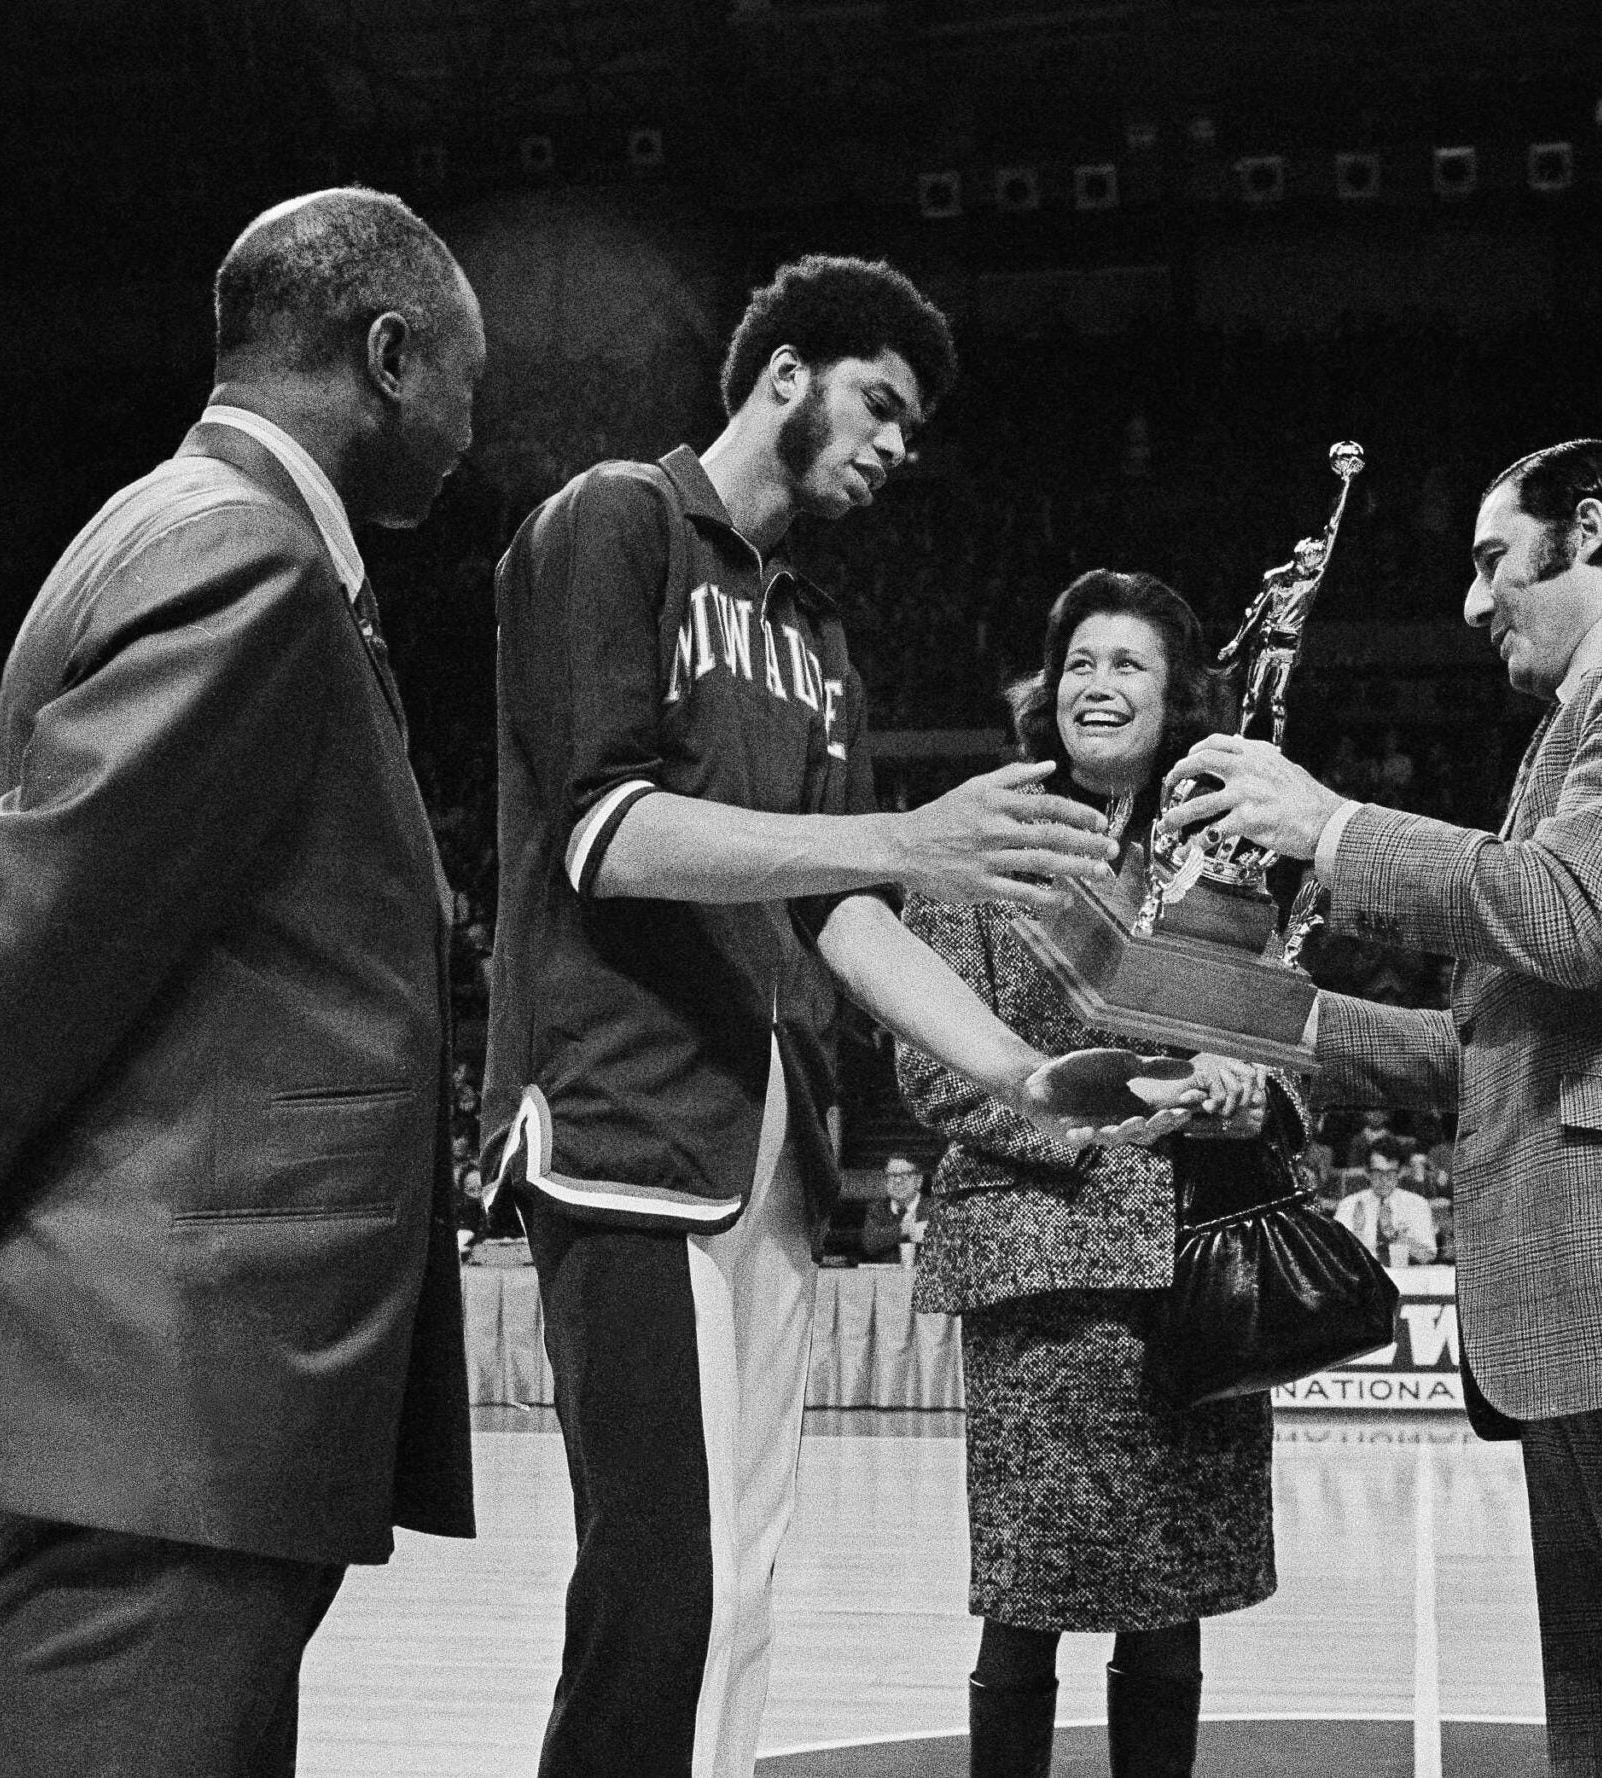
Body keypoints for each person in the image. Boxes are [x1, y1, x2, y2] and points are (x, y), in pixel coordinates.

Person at [0, 186, 487, 1777]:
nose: (477, 432)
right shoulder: (246, 559)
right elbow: (7, 971)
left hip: (177, 1414)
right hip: (167, 1407)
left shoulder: (177, 530)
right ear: (389, 355)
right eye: (471, 385)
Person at [484, 258, 1193, 1778]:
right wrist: (903, 836)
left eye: (912, 428)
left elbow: (845, 911)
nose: (894, 446)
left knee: (740, 1579)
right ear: (786, 374)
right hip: (625, 1116)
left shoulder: (814, 634)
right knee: (660, 1579)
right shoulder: (614, 521)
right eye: (881, 404)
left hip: (773, 1134)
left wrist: (1023, 1070)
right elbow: (606, 831)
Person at [1168, 439, 1602, 1776]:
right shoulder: (1581, 721)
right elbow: (1492, 1048)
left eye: (1494, 559)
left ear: (1586, 529)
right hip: (1599, 1307)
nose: (1472, 601)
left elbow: (1564, 914)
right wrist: (1259, 1017)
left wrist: (1328, 826)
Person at [896, 569, 1280, 1778]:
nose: (1096, 684)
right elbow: (931, 1066)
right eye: (1079, 662)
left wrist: (1250, 1096)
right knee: (1027, 1592)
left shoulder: (1228, 854)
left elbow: (1293, 1039)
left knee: (1173, 1594)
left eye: (1127, 664)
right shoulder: (983, 836)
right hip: (1038, 1276)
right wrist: (1097, 1121)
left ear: (1178, 700)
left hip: (1194, 1270)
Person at [1334, 1138, 1437, 1265]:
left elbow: (1427, 1256)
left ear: (1400, 1172)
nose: (1384, 1180)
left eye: (1390, 1173)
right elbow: (1334, 1256)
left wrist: (1393, 1234)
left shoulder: (1417, 1204)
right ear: (1367, 1172)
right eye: (1377, 1172)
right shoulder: (1349, 1204)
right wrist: (1357, 1233)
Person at [860, 1155, 928, 1263]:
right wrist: (904, 1230)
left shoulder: (937, 1207)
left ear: (919, 1180)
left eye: (905, 1175)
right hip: (885, 1273)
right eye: (892, 1175)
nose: (897, 1181)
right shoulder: (877, 1209)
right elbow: (869, 1243)